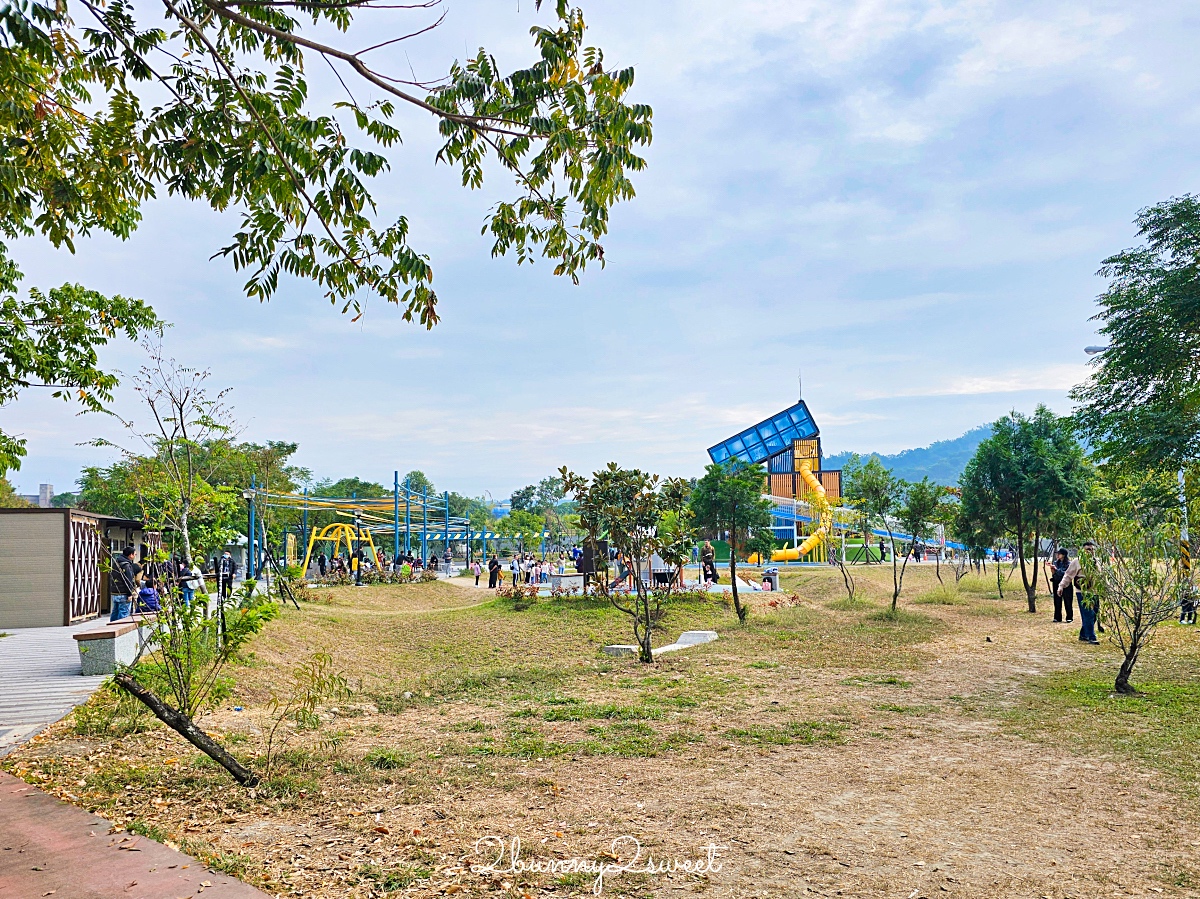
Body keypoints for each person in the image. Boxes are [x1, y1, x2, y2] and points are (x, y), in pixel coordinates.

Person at [1058, 541, 1098, 644]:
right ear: (1083, 551)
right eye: (1088, 550)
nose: (1091, 552)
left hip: (1095, 592)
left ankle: (1083, 635)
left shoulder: (1097, 561)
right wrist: (1061, 586)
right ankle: (1091, 637)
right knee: (1088, 614)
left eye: (1092, 550)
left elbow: (1102, 577)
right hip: (1082, 592)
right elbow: (1068, 575)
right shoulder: (1077, 561)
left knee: (1094, 614)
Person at [110, 546, 141, 621]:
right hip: (124, 593)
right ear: (130, 555)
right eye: (135, 554)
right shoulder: (126, 565)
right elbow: (128, 580)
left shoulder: (116, 563)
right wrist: (130, 594)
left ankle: (111, 628)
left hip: (115, 591)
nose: (135, 556)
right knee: (123, 614)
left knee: (115, 612)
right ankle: (120, 630)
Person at [1048, 549, 1074, 623]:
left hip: (1066, 584)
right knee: (1057, 601)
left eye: (1059, 554)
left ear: (1064, 555)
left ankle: (1069, 617)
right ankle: (1057, 617)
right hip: (1056, 582)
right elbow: (1055, 574)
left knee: (1068, 601)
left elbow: (1066, 574)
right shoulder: (1056, 563)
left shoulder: (1069, 564)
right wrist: (1053, 571)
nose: (1057, 555)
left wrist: (1056, 570)